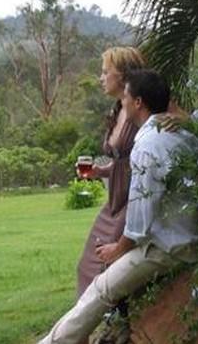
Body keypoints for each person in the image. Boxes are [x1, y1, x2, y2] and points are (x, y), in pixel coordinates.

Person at [38, 69, 198, 344]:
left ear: (138, 102)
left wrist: (119, 248)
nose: (122, 102)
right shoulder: (183, 136)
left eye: (125, 96)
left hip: (170, 247)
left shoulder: (148, 145)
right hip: (189, 234)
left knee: (101, 289)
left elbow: (140, 216)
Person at [75, 47, 146, 297]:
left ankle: (112, 324)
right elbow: (120, 162)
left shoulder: (141, 106)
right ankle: (85, 332)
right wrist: (99, 171)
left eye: (106, 72)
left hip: (133, 200)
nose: (101, 78)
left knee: (106, 268)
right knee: (86, 267)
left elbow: (179, 118)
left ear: (124, 75)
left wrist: (177, 120)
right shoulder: (116, 110)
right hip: (113, 204)